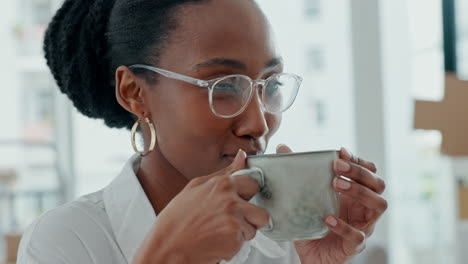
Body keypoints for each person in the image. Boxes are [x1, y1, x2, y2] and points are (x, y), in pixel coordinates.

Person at [17, 0, 388, 263]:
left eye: (269, 84)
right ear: (135, 93)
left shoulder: (284, 246)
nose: (258, 123)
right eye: (224, 85)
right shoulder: (67, 241)